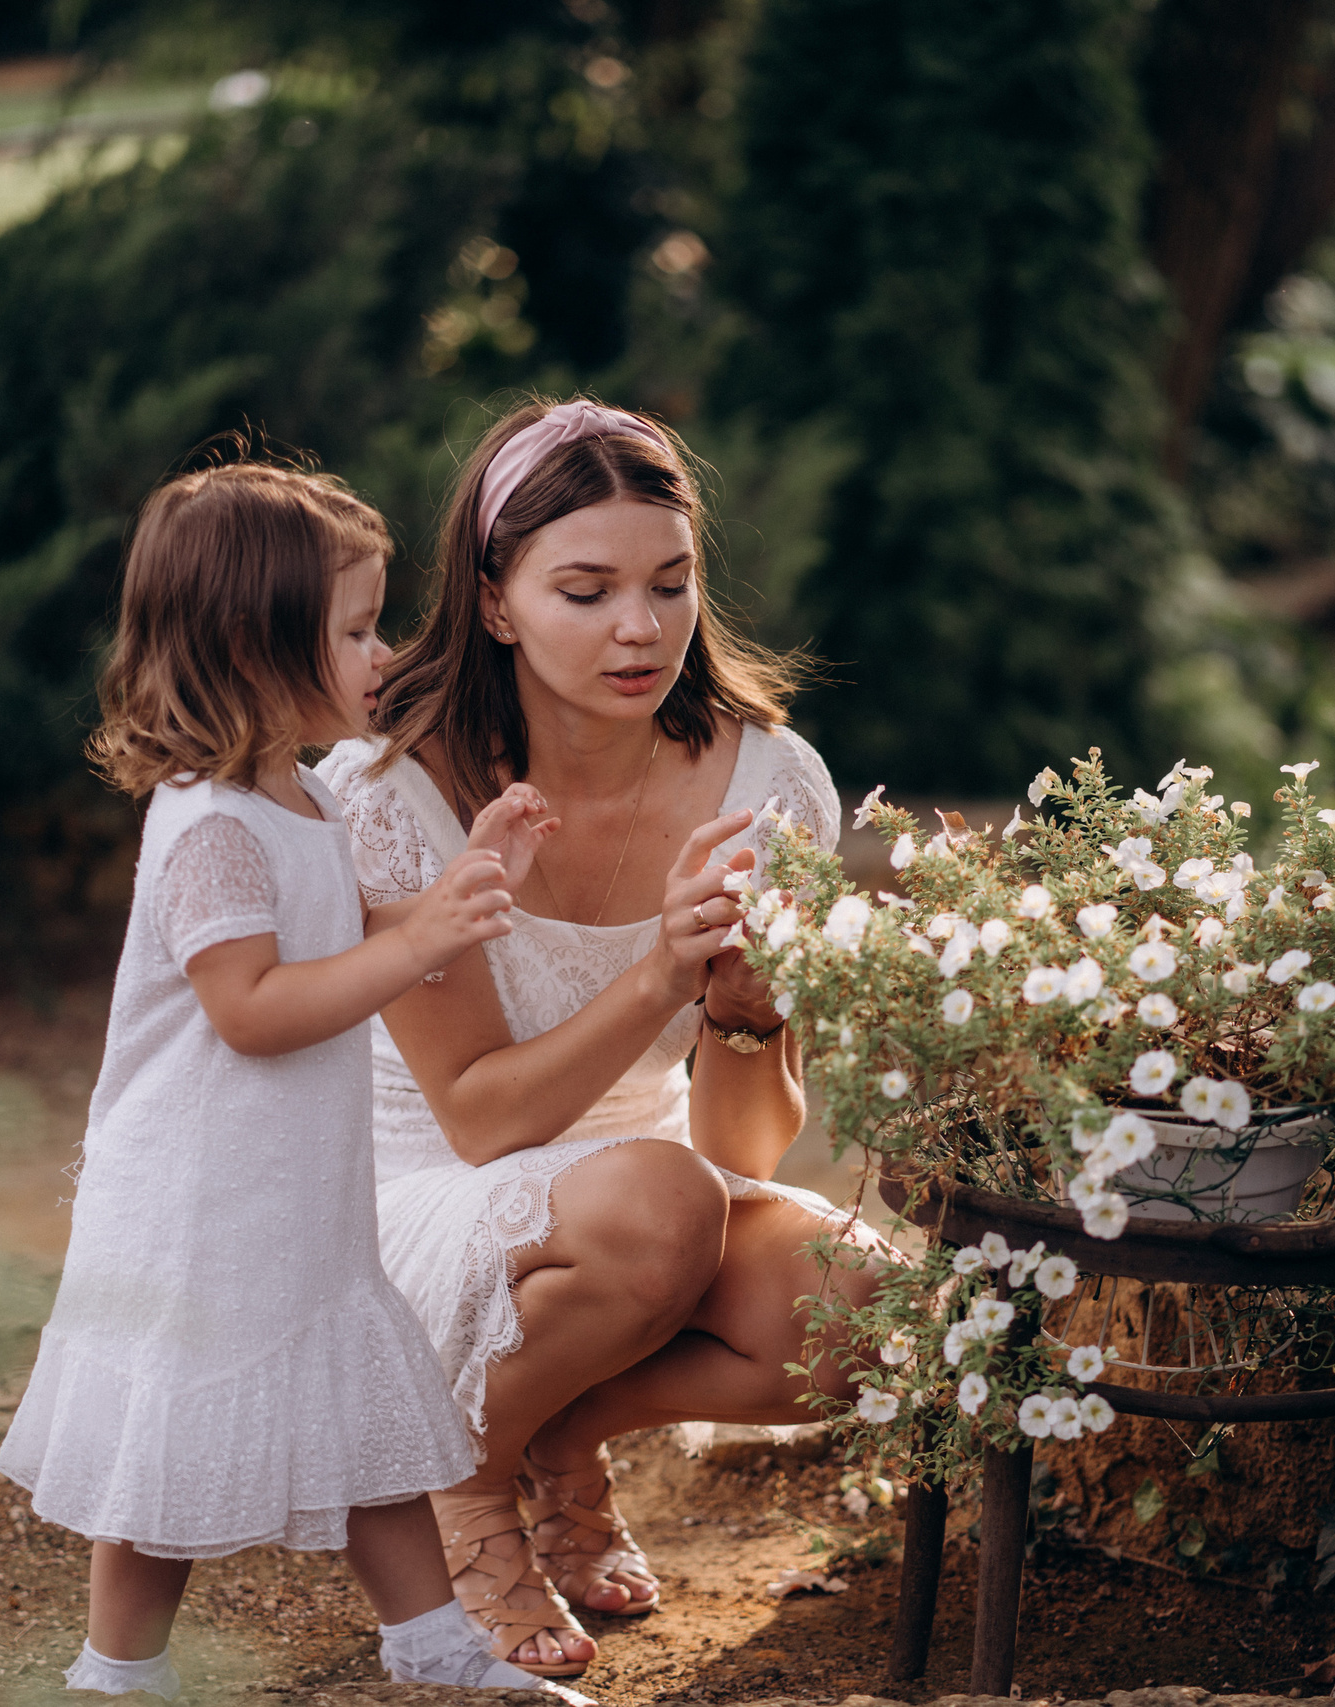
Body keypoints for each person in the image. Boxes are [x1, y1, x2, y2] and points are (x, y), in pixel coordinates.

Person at [318, 398, 882, 1679]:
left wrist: (745, 1011)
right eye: (587, 590)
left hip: (644, 1194)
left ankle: (557, 1431)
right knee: (659, 1203)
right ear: (497, 600)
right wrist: (661, 973)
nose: (641, 628)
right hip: (421, 1188)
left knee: (865, 1310)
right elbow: (478, 1117)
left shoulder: (772, 781)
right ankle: (460, 1483)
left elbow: (744, 1142)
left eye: (670, 584)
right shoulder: (392, 791)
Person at [0, 460, 572, 1701]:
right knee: (171, 1453)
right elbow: (251, 1009)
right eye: (356, 629)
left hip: (296, 1200)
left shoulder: (297, 793)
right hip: (200, 1207)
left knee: (365, 1427)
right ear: (256, 648)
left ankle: (429, 1641)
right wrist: (410, 945)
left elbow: (354, 922)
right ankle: (117, 1672)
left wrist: (463, 881)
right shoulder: (206, 822)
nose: (382, 653)